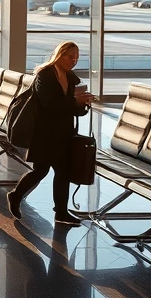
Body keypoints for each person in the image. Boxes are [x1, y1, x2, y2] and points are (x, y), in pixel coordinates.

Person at [7, 41, 94, 226]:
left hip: (64, 132)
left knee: (62, 172)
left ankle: (61, 212)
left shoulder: (70, 77)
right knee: (41, 170)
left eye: (76, 57)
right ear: (59, 55)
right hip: (44, 133)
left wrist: (82, 105)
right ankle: (16, 195)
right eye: (70, 57)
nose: (74, 60)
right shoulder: (45, 75)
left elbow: (69, 107)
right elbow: (49, 105)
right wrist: (74, 101)